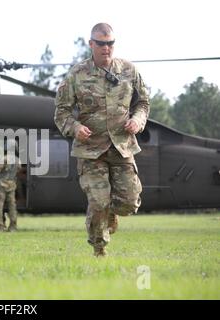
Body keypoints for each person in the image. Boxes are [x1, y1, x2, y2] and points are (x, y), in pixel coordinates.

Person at [54, 23, 150, 257]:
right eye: (101, 43)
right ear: (91, 44)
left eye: (110, 43)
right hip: (90, 151)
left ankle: (111, 214)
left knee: (129, 202)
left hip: (122, 147)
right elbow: (61, 111)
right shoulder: (77, 75)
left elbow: (143, 103)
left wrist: (137, 120)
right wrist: (74, 127)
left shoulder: (129, 70)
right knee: (98, 201)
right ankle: (99, 248)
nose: (106, 48)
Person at [0, 154, 20, 231]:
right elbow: (18, 169)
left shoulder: (4, 158)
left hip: (2, 184)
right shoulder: (17, 160)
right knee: (12, 206)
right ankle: (13, 226)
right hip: (11, 184)